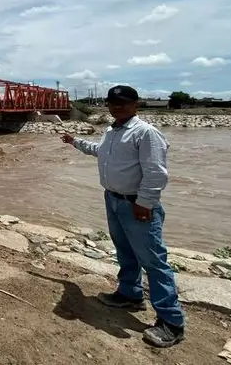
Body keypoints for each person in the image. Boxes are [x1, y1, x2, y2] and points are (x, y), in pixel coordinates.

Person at [60, 84, 186, 348]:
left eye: (123, 103)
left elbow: (156, 172)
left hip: (136, 205)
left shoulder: (146, 133)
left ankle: (171, 322)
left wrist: (144, 203)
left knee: (153, 261)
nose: (117, 107)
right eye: (112, 103)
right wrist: (75, 142)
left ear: (135, 104)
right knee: (125, 252)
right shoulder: (112, 131)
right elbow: (101, 153)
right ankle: (130, 294)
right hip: (114, 200)